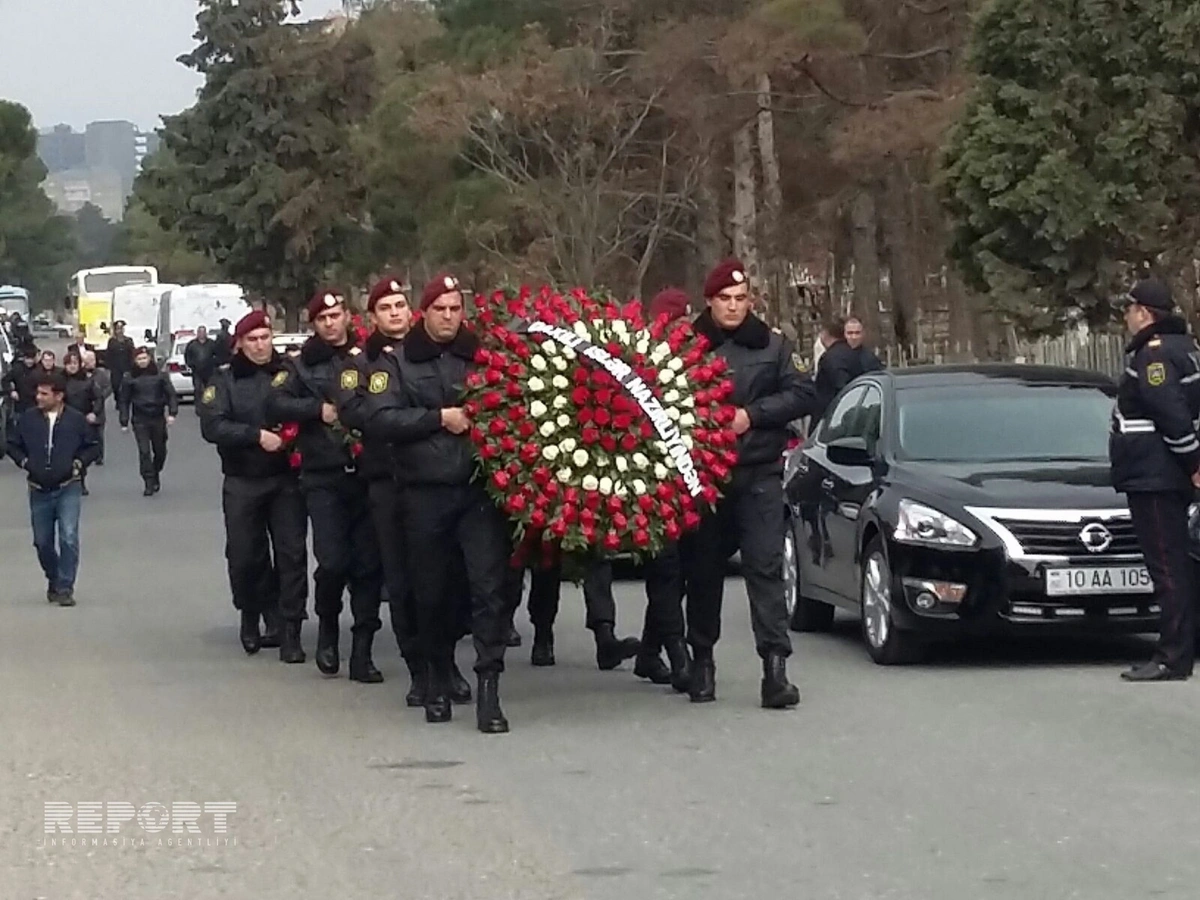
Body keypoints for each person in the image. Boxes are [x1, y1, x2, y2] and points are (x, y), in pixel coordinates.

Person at [363, 273, 515, 733]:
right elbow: (381, 416)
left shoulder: (482, 356)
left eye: (455, 308)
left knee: (489, 589)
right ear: (422, 314)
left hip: (477, 491)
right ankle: (433, 676)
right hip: (423, 492)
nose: (449, 317)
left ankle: (489, 686)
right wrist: (437, 418)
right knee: (430, 592)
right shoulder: (398, 362)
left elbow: (510, 402)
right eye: (440, 309)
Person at [684, 259, 817, 708]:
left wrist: (753, 416)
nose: (734, 307)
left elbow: (802, 392)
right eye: (726, 300)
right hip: (704, 475)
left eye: (741, 300)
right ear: (710, 302)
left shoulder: (773, 345)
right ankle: (701, 662)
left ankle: (775, 668)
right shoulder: (686, 344)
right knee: (703, 573)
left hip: (759, 471)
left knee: (764, 567)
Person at [335, 275, 474, 700]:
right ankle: (420, 667)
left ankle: (445, 659)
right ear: (372, 316)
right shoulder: (368, 361)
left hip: (437, 479)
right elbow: (360, 413)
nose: (394, 313)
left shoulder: (442, 353)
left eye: (400, 305)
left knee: (448, 577)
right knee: (404, 579)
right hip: (387, 479)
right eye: (386, 307)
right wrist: (428, 417)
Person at [265, 289, 383, 681]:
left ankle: (363, 651)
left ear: (348, 317)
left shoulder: (369, 355)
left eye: (336, 315)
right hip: (323, 475)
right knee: (332, 562)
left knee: (368, 566)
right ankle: (329, 631)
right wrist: (318, 410)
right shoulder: (302, 366)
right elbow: (275, 402)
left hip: (367, 473)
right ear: (314, 324)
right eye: (323, 318)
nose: (331, 324)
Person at [201, 311, 309, 662]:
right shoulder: (224, 380)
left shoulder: (289, 372)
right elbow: (213, 426)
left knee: (292, 554)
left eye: (265, 338)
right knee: (246, 555)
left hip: (286, 479)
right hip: (243, 478)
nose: (261, 346)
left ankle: (289, 627)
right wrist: (254, 436)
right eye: (253, 340)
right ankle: (251, 613)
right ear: (240, 344)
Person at [1110, 278, 1200, 682]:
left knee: (1167, 567)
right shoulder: (1186, 349)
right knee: (1177, 564)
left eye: (1129, 310)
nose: (1126, 318)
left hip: (1156, 475)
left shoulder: (1154, 356)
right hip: (1162, 472)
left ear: (1144, 313)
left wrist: (1193, 461)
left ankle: (1171, 656)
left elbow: (1172, 415)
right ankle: (1177, 649)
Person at [5, 370, 99, 606]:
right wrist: (25, 462)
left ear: (58, 396)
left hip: (68, 486)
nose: (38, 397)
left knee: (68, 537)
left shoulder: (75, 420)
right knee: (42, 541)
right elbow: (12, 444)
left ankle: (66, 587)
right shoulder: (28, 419)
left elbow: (92, 445)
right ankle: (54, 577)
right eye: (38, 393)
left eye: (44, 394)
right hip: (38, 488)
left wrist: (78, 463)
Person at [118, 346, 178, 496]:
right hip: (140, 419)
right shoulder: (129, 378)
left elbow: (171, 394)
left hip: (157, 417)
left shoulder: (160, 376)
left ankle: (156, 471)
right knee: (144, 452)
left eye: (144, 358)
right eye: (139, 359)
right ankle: (148, 481)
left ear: (149, 358)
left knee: (160, 451)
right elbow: (124, 401)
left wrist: (172, 413)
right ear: (135, 361)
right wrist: (124, 421)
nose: (142, 361)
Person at [61, 353, 103, 496]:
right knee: (67, 453)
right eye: (69, 363)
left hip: (83, 420)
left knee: (82, 453)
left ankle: (81, 480)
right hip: (64, 421)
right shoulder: (59, 382)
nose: (72, 366)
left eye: (75, 363)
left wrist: (94, 412)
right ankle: (70, 481)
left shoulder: (88, 381)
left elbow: (99, 398)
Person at [81, 351, 111, 466]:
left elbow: (109, 387)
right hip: (84, 406)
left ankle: (99, 456)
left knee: (99, 433)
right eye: (87, 361)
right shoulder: (80, 374)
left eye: (92, 361)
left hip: (98, 408)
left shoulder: (101, 374)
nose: (90, 363)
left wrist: (101, 396)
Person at [3, 343, 41, 421]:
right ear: (24, 358)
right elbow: (5, 381)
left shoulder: (39, 369)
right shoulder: (17, 369)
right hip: (21, 405)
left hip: (36, 405)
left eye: (32, 359)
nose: (29, 361)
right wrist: (11, 392)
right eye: (27, 359)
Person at [184, 325, 220, 405]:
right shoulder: (192, 344)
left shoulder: (211, 343)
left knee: (210, 388)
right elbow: (187, 356)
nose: (202, 334)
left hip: (209, 371)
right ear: (197, 333)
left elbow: (217, 355)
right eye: (200, 332)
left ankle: (209, 404)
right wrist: (190, 365)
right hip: (197, 371)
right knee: (198, 388)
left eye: (203, 332)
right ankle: (198, 404)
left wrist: (215, 364)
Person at [106, 321, 136, 401]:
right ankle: (118, 399)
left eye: (121, 328)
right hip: (115, 368)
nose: (120, 331)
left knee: (127, 385)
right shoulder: (112, 341)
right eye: (118, 329)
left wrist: (132, 366)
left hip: (127, 367)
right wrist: (109, 367)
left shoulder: (129, 340)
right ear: (115, 330)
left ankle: (126, 400)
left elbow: (132, 354)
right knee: (116, 386)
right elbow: (109, 355)